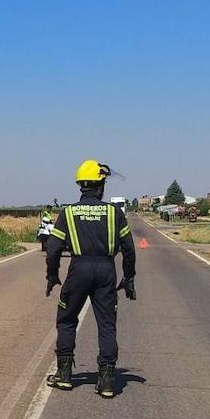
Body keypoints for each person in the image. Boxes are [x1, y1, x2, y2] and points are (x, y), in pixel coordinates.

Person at [44, 160, 137, 398]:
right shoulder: (114, 212)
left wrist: (52, 274)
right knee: (107, 325)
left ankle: (64, 376)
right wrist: (129, 277)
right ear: (101, 186)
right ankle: (106, 380)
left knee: (66, 320)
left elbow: (53, 247)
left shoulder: (68, 212)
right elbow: (128, 248)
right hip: (106, 270)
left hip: (78, 269)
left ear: (81, 186)